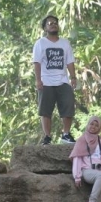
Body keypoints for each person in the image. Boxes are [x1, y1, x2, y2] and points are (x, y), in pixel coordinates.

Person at [32, 14, 77, 145]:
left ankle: (66, 134)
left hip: (63, 80)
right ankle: (47, 137)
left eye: (55, 23)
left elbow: (69, 61)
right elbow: (37, 63)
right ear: (45, 28)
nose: (53, 24)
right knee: (45, 110)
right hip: (46, 81)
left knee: (68, 105)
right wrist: (38, 80)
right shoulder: (40, 43)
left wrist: (73, 77)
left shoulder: (65, 43)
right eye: (50, 23)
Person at [69, 116, 101, 202]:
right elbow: (77, 159)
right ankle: (92, 201)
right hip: (87, 170)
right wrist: (77, 176)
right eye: (91, 124)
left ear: (99, 128)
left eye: (96, 125)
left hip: (100, 170)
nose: (93, 127)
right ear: (88, 124)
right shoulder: (82, 140)